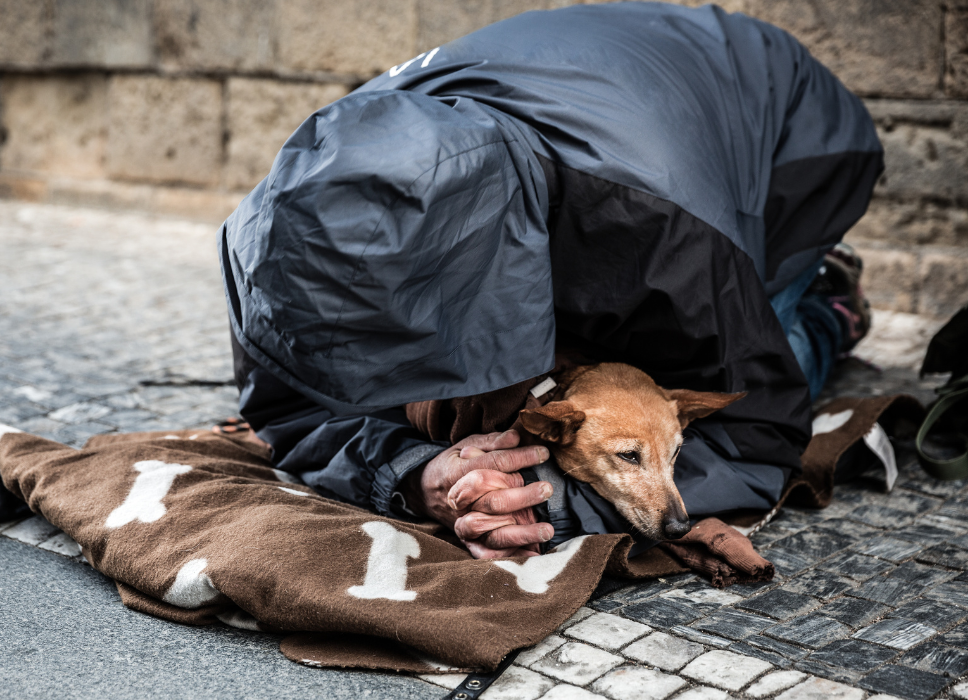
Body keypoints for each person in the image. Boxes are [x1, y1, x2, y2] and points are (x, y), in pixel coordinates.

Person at [216, 2, 882, 559]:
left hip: (791, 135)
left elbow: (761, 430)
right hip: (596, 135)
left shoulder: (671, 237)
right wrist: (415, 477)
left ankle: (829, 305)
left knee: (755, 351)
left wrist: (551, 505)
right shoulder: (274, 239)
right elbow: (288, 411)